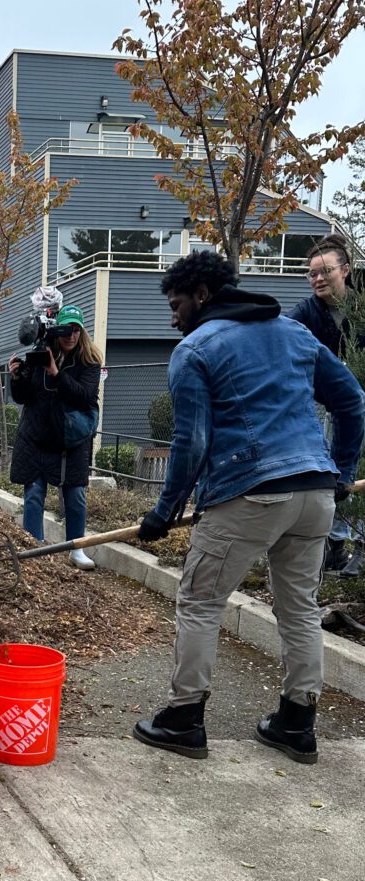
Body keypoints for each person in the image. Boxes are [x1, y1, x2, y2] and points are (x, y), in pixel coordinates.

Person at [133, 250, 364, 765]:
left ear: (201, 296)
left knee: (200, 602)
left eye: (176, 305)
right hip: (315, 494)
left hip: (250, 492)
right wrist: (342, 473)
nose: (173, 318)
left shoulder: (195, 350)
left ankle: (183, 718)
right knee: (299, 608)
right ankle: (296, 724)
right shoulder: (294, 333)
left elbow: (191, 441)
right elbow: (352, 400)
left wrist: (163, 511)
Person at [288, 233, 365, 576]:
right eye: (312, 274)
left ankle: (361, 547)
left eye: (325, 271)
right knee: (335, 471)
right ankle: (335, 545)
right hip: (336, 405)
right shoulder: (306, 313)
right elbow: (283, 335)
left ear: (345, 270)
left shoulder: (361, 306)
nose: (317, 279)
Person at [9, 304, 102, 570]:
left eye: (75, 330)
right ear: (55, 330)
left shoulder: (90, 363)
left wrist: (56, 373)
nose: (70, 336)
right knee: (34, 493)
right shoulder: (41, 355)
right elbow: (24, 397)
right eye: (64, 330)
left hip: (70, 439)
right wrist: (17, 377)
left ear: (82, 332)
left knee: (75, 496)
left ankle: (76, 548)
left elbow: (84, 396)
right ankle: (34, 547)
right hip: (36, 436)